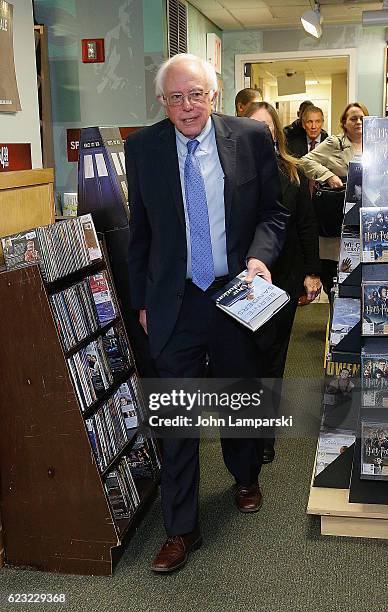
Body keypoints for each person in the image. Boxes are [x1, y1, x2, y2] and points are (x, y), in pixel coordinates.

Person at [124, 53, 288, 573]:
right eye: (175, 97)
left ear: (214, 95)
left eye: (196, 94)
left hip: (234, 291)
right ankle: (180, 528)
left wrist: (260, 259)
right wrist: (144, 301)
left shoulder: (251, 138)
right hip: (175, 299)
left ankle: (245, 477)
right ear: (161, 102)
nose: (187, 106)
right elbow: (141, 232)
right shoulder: (143, 147)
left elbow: (273, 212)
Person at [243, 101, 321, 462]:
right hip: (242, 285)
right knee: (245, 361)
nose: (261, 133)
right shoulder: (230, 175)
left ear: (276, 132)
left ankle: (264, 436)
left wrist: (312, 272)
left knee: (273, 360)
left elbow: (306, 226)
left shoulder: (293, 173)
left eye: (267, 128)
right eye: (252, 126)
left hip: (283, 282)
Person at [299, 102, 369, 297]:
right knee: (338, 275)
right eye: (353, 118)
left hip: (367, 217)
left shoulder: (377, 142)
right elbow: (305, 161)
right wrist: (328, 175)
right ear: (344, 123)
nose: (358, 122)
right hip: (338, 216)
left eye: (362, 118)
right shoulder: (335, 143)